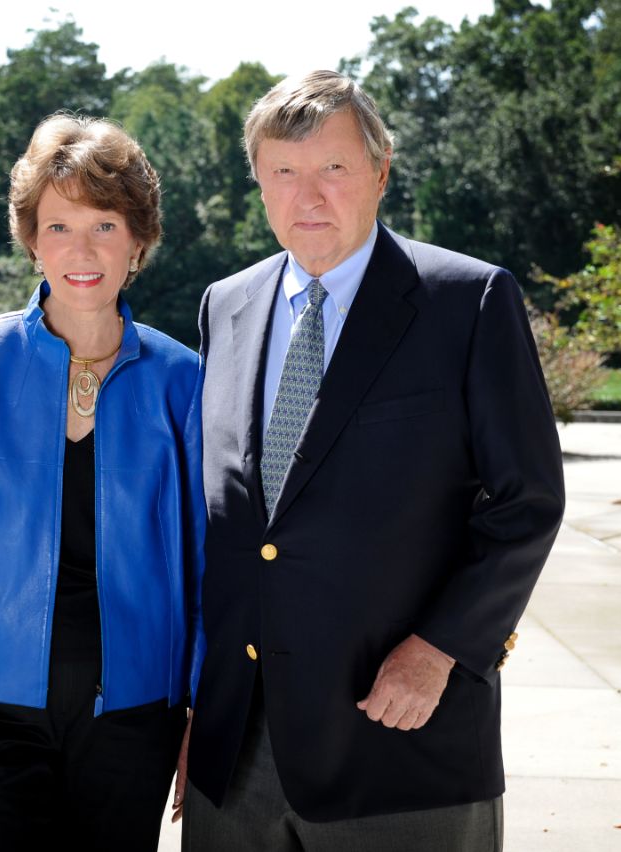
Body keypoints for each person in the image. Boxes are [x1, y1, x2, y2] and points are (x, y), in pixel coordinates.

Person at [177, 70, 566, 850]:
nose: (307, 195)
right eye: (284, 172)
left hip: (397, 741)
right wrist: (193, 708)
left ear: (380, 173)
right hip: (238, 756)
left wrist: (441, 650)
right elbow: (229, 524)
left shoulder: (469, 300)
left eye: (333, 169)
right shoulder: (227, 304)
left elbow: (527, 502)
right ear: (258, 182)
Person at [0, 114, 202, 852]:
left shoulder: (182, 379)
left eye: (104, 225)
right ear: (31, 239)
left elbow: (202, 568)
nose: (81, 251)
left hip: (135, 716)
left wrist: (200, 713)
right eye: (58, 227)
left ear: (139, 241)